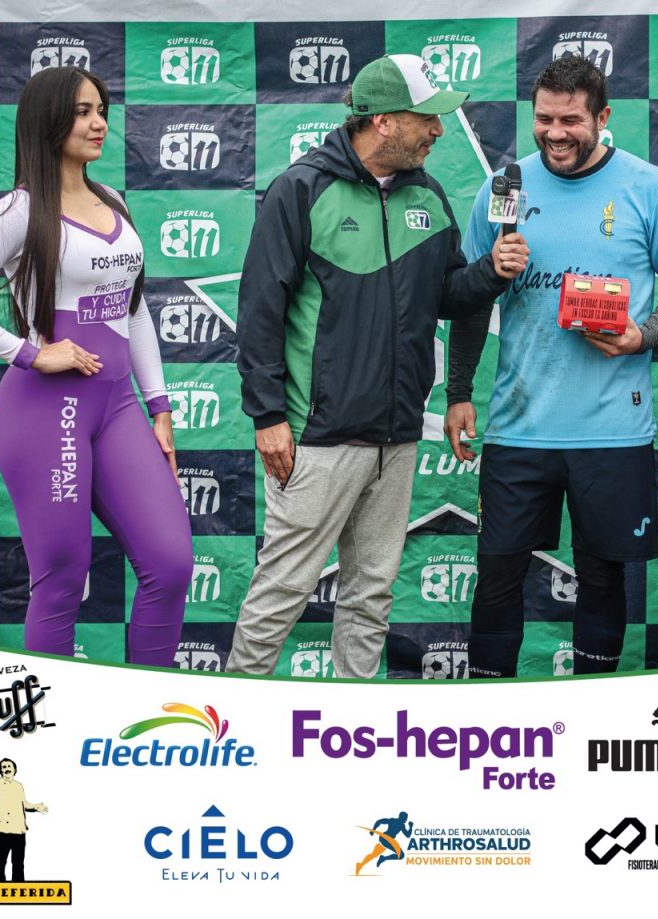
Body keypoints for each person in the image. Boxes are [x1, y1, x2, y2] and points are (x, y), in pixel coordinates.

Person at [226, 54, 528, 678]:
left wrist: (490, 273)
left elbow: (446, 295)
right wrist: (268, 415)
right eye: (427, 118)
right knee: (282, 589)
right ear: (384, 121)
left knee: (371, 596)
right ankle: (232, 715)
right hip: (317, 437)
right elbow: (259, 311)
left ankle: (353, 721)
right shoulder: (301, 189)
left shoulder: (429, 195)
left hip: (396, 435)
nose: (438, 130)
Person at [445, 56, 658, 678]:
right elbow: (472, 296)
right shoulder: (505, 187)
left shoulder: (650, 187)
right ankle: (490, 713)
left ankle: (593, 710)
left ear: (602, 117)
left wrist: (643, 335)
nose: (555, 133)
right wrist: (458, 391)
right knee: (497, 575)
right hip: (518, 428)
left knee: (602, 576)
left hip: (612, 431)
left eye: (571, 121)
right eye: (544, 119)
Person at [0, 67, 192, 666]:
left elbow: (134, 310)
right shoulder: (17, 211)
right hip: (47, 413)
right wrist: (28, 352)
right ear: (48, 120)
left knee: (171, 564)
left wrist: (159, 407)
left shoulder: (113, 201)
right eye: (81, 112)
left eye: (101, 110)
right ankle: (53, 718)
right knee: (63, 578)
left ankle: (148, 713)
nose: (99, 124)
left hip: (118, 406)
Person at [0, 758, 48, 882]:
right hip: (2, 830)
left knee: (18, 863)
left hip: (19, 830)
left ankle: (19, 889)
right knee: (0, 862)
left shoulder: (18, 786)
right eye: (4, 767)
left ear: (15, 769)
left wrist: (35, 807)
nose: (7, 769)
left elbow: (24, 804)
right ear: (0, 770)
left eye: (9, 766)